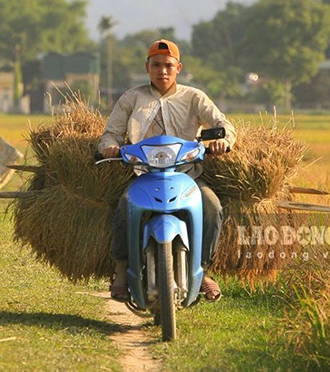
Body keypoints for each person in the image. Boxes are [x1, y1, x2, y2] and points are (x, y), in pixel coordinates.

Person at [98, 39, 236, 303]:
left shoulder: (194, 97)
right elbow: (110, 134)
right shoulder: (132, 98)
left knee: (212, 206)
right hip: (143, 174)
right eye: (157, 65)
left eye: (168, 66)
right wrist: (110, 147)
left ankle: (203, 269)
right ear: (147, 67)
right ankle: (121, 271)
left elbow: (223, 124)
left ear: (178, 68)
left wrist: (224, 141)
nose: (162, 71)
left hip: (186, 175)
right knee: (124, 204)